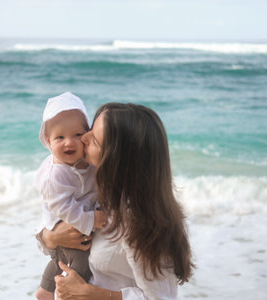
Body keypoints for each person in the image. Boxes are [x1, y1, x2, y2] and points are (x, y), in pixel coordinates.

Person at [40, 103, 194, 300]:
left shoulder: (140, 221)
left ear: (116, 160)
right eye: (89, 129)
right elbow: (52, 216)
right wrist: (49, 238)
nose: (83, 138)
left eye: (93, 139)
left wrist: (91, 294)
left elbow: (160, 298)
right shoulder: (97, 187)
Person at [35, 92, 107, 300]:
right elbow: (64, 208)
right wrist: (91, 219)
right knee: (81, 263)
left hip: (72, 228)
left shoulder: (85, 163)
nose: (69, 143)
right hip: (65, 225)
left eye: (77, 135)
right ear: (48, 141)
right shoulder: (54, 174)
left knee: (59, 260)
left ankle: (45, 291)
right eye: (60, 137)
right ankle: (66, 293)